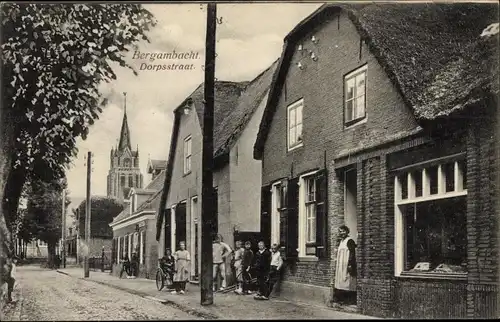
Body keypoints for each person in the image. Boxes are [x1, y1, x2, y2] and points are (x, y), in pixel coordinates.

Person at [333, 225, 357, 305]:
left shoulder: (350, 241)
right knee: (341, 281)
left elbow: (352, 253)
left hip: (346, 263)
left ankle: (350, 300)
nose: (342, 233)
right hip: (341, 264)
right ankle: (341, 299)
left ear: (347, 231)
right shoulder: (341, 241)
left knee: (347, 280)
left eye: (343, 231)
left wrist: (350, 264)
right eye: (340, 231)